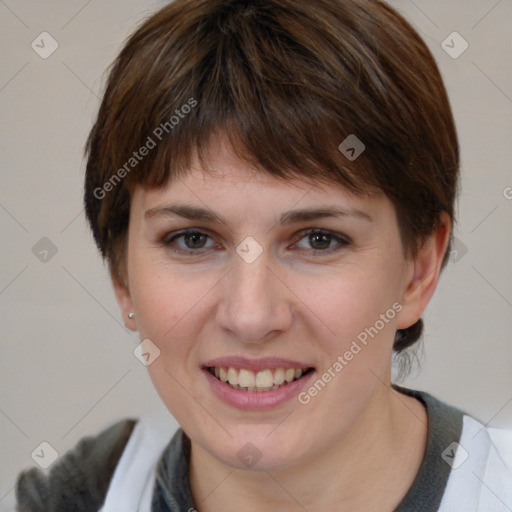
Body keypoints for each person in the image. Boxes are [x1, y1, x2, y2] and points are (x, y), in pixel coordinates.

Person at [15, 0, 512, 510]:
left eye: (319, 239)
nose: (251, 317)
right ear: (122, 278)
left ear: (418, 270)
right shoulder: (80, 496)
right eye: (193, 239)